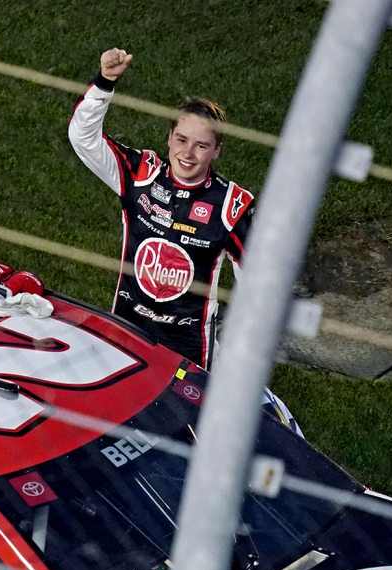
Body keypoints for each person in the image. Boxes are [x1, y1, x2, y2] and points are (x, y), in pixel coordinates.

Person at [68, 48, 254, 370]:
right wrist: (105, 82)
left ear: (217, 151)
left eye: (202, 145)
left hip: (190, 355)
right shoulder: (141, 174)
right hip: (126, 337)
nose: (188, 153)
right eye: (181, 140)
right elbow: (83, 137)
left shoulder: (232, 206)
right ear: (168, 138)